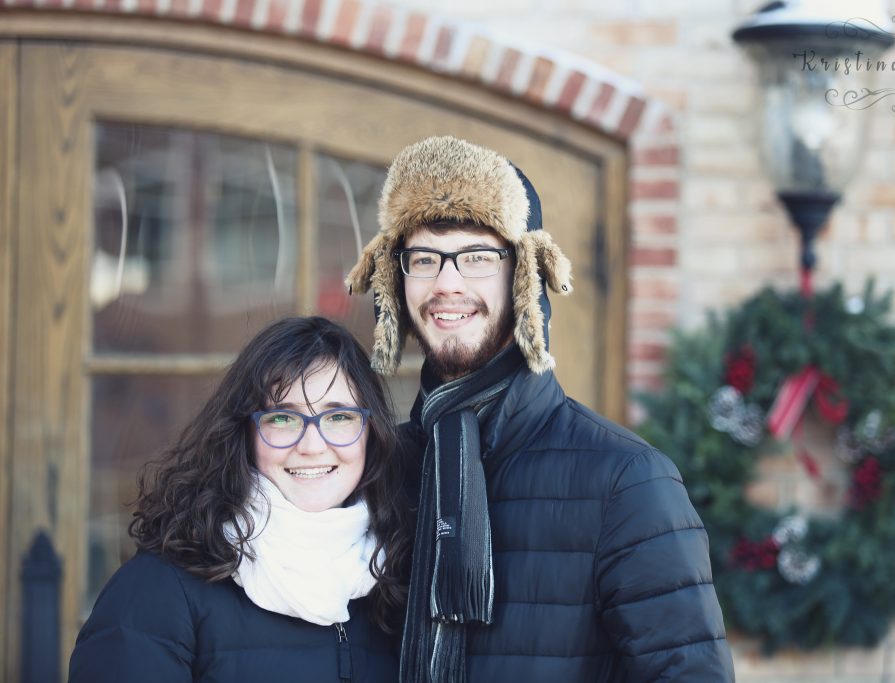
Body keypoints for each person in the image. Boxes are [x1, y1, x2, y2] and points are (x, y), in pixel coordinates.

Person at [346, 136, 736, 683]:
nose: (447, 284)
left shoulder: (627, 481)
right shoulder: (387, 468)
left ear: (523, 276)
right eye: (425, 258)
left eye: (478, 257)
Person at [69, 316, 410, 683]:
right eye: (282, 418)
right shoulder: (158, 591)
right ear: (244, 432)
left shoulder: (396, 582)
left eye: (339, 416)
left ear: (370, 432)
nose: (313, 446)